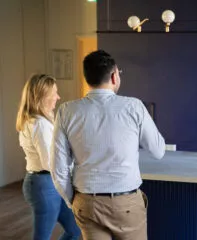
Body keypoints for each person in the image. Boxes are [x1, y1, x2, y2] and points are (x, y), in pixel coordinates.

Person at [50, 50, 166, 240]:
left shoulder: (66, 111)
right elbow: (158, 151)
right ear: (114, 76)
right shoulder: (134, 107)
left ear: (87, 78)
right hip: (126, 203)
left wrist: (73, 200)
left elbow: (58, 169)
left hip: (86, 201)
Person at [16, 74, 81, 240]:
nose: (58, 97)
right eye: (54, 93)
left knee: (75, 231)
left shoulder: (39, 121)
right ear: (42, 96)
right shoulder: (39, 124)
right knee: (42, 236)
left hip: (48, 182)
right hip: (43, 185)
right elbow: (49, 162)